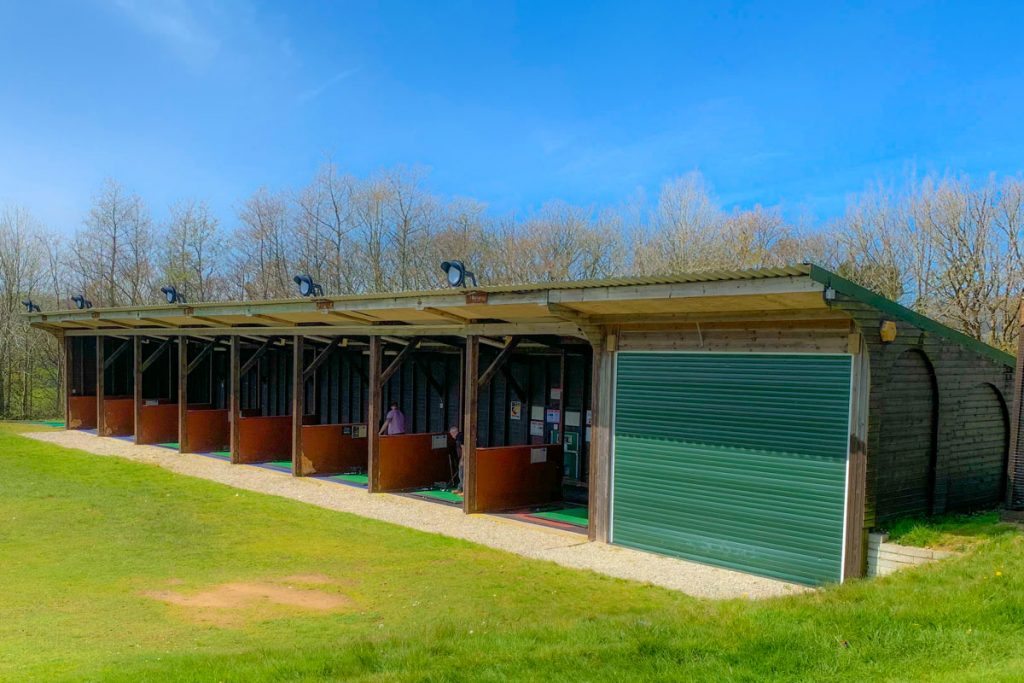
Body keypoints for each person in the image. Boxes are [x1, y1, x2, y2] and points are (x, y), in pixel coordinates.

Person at [448, 424, 465, 495]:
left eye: (451, 434)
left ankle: (464, 491)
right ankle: (460, 489)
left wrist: (462, 460)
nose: (451, 436)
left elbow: (464, 448)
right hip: (462, 458)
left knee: (462, 474)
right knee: (460, 474)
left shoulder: (459, 438)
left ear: (454, 432)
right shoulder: (459, 437)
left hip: (464, 458)